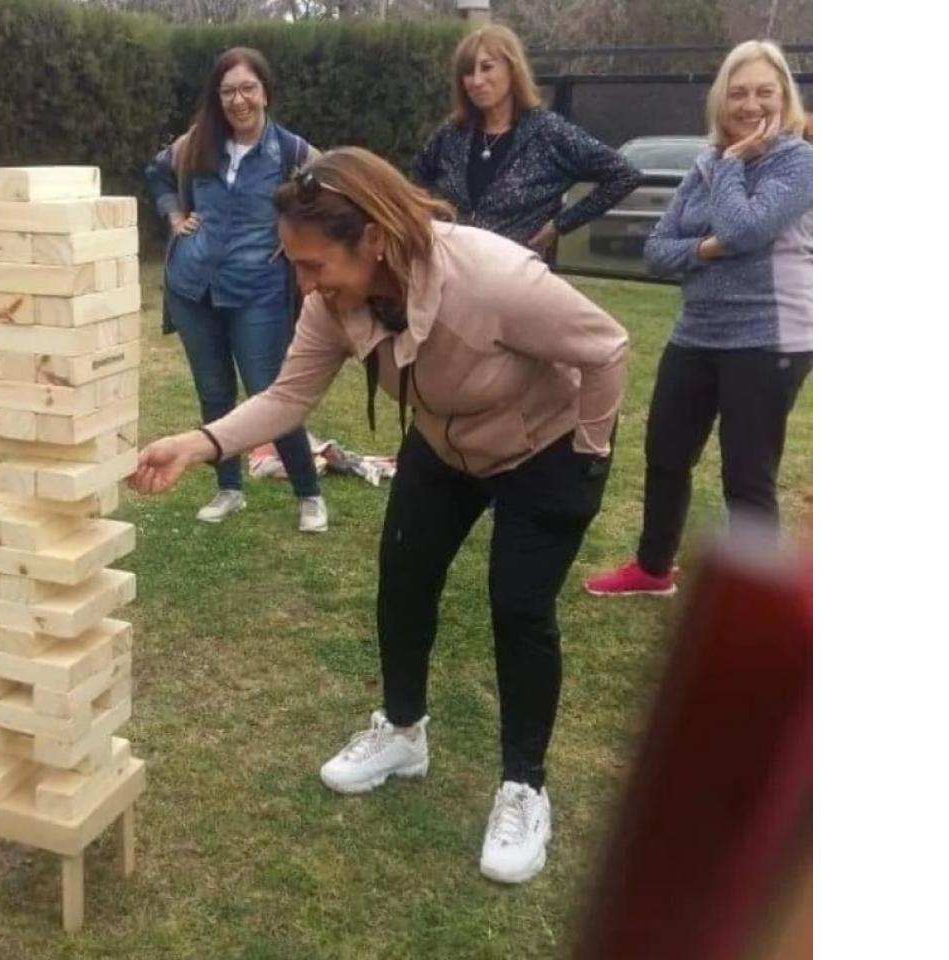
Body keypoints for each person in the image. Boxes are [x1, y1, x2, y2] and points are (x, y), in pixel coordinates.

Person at [132, 147, 630, 885]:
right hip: (443, 441)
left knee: (517, 607)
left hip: (544, 449)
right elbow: (287, 397)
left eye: (312, 264)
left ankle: (524, 785)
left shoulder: (493, 277)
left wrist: (588, 456)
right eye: (294, 265)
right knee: (402, 578)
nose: (303, 282)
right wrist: (201, 444)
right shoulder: (335, 301)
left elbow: (607, 346)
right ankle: (403, 732)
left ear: (372, 240)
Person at [583, 40, 812, 598]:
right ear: (720, 100)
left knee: (746, 477)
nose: (750, 104)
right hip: (697, 331)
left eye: (764, 91)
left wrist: (733, 171)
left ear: (785, 96)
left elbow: (745, 230)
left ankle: (754, 600)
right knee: (665, 454)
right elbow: (658, 250)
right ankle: (653, 569)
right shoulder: (705, 163)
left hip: (768, 337)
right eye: (738, 93)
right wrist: (707, 249)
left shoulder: (799, 162)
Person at [144, 47, 328, 533]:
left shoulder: (291, 152)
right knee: (214, 393)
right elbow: (157, 171)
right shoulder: (197, 142)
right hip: (193, 289)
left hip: (257, 293)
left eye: (248, 88)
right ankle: (229, 489)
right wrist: (174, 214)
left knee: (271, 396)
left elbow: (332, 195)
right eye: (227, 91)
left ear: (265, 92)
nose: (238, 100)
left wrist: (297, 243)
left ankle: (309, 494)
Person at [411, 24, 641, 255]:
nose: (477, 80)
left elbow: (624, 174)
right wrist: (430, 221)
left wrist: (559, 225)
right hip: (453, 270)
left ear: (512, 69)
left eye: (487, 67)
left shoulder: (548, 133)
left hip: (515, 277)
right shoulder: (452, 132)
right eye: (468, 72)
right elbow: (418, 177)